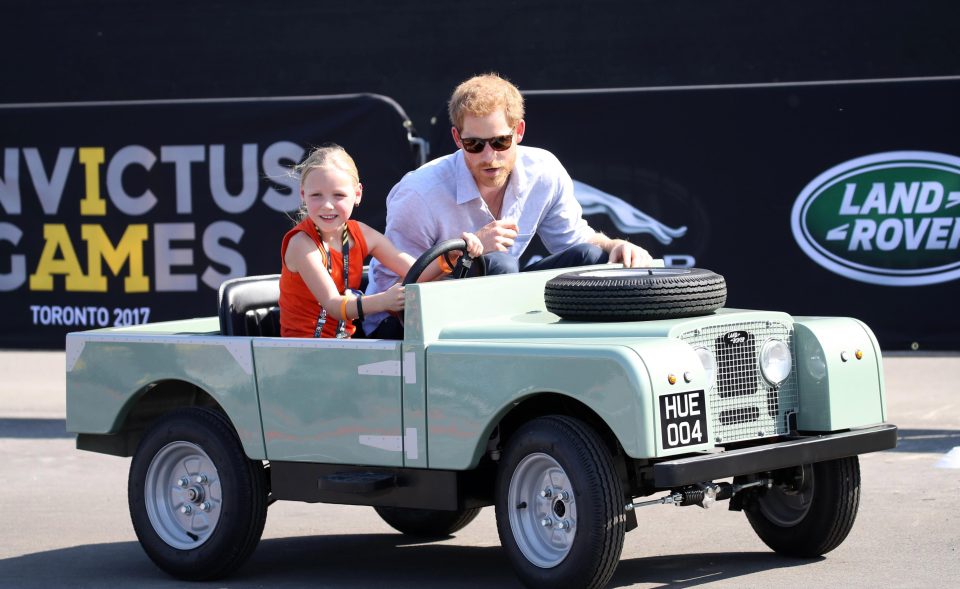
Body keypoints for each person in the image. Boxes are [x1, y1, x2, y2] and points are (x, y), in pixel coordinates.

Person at [364, 73, 653, 335]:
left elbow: (575, 241)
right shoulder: (419, 192)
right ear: (456, 138)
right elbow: (396, 298)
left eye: (500, 142)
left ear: (519, 132)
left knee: (590, 259)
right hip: (400, 327)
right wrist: (467, 251)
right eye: (474, 145)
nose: (489, 156)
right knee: (498, 264)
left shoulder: (544, 169)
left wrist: (615, 245)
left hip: (493, 304)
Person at [280, 145, 481, 338]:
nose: (327, 206)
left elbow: (414, 272)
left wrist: (448, 258)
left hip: (342, 350)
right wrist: (384, 301)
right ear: (303, 195)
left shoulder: (362, 233)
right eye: (316, 195)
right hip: (301, 352)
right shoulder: (301, 244)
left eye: (338, 195)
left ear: (357, 194)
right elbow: (333, 305)